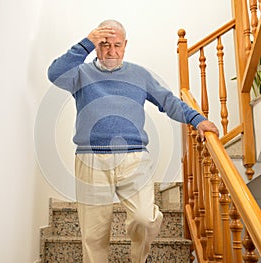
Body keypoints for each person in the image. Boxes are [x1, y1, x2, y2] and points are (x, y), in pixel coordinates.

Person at [47, 19, 219, 263]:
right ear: (97, 45)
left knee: (144, 219)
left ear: (125, 45)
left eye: (117, 45)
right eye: (105, 44)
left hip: (134, 157)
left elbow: (169, 102)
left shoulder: (139, 75)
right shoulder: (80, 74)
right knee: (94, 235)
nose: (111, 51)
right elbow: (54, 73)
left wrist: (197, 120)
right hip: (90, 158)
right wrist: (87, 41)